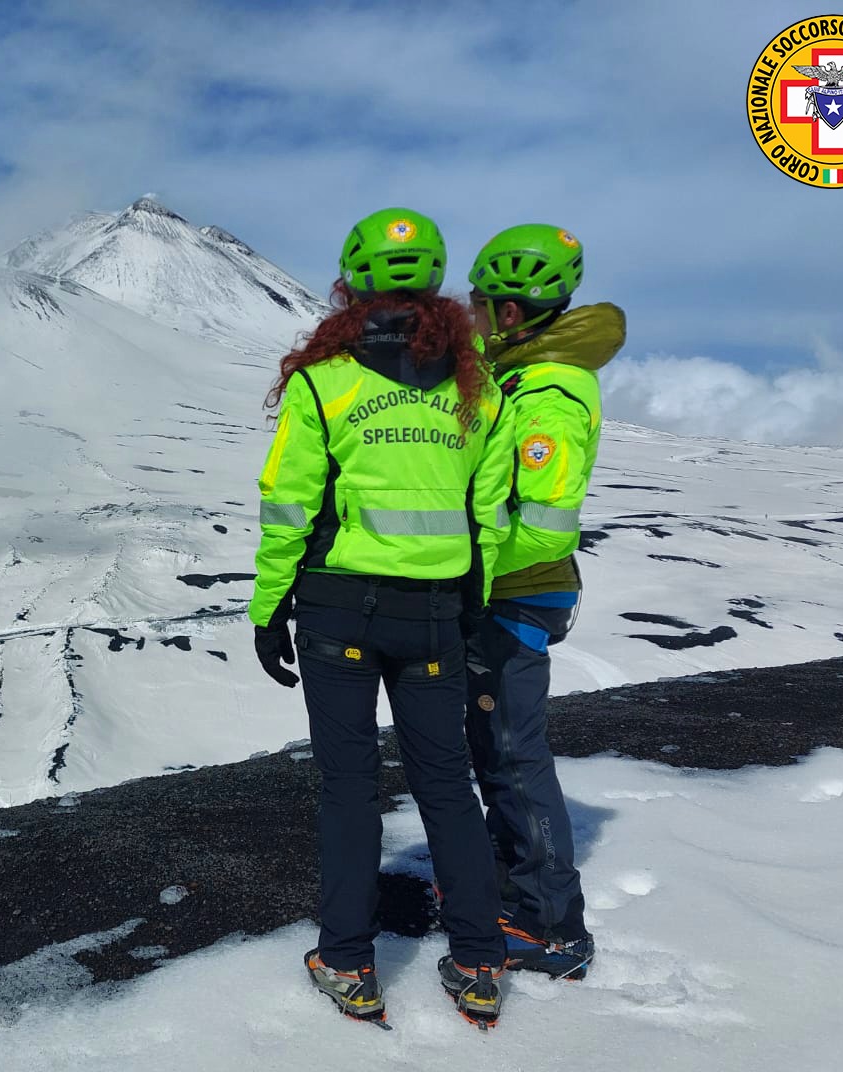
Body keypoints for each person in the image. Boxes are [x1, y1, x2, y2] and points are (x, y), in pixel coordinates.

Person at [249, 208, 517, 1030]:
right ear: (435, 285)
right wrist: (473, 605)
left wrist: (268, 609)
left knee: (349, 790)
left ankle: (349, 962)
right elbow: (492, 518)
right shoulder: (480, 386)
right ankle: (477, 960)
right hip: (435, 615)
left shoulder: (323, 381)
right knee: (445, 786)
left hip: (336, 614)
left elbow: (287, 507)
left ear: (350, 283)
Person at [462, 223, 626, 980]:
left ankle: (553, 926)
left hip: (517, 593)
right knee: (497, 753)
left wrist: (470, 570)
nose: (471, 309)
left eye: (483, 299)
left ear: (513, 310)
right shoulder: (524, 370)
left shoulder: (550, 390)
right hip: (510, 590)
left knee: (515, 756)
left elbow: (548, 519)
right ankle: (515, 893)